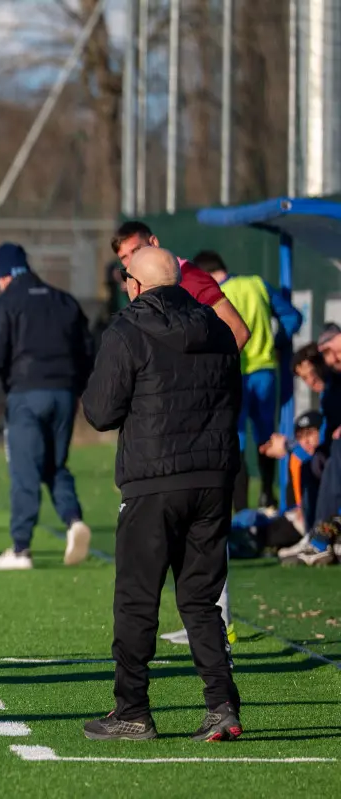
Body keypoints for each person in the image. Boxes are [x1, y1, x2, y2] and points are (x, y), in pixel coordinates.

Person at [82, 246, 242, 743]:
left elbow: (101, 411)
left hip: (153, 481)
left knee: (136, 600)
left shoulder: (128, 330)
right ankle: (222, 705)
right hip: (213, 478)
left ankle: (132, 710)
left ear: (134, 283)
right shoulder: (216, 329)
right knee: (200, 599)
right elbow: (231, 397)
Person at [113, 225, 250, 646]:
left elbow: (237, 333)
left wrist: (194, 389)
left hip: (197, 431)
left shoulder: (188, 279)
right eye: (123, 261)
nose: (130, 266)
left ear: (155, 245)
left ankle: (219, 619)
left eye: (135, 253)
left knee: (187, 560)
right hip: (178, 438)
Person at [0, 243, 94, 570]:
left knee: (25, 472)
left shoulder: (6, 303)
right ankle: (74, 520)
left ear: (3, 276)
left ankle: (20, 549)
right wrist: (80, 391)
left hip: (26, 396)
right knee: (55, 466)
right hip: (64, 395)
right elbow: (88, 351)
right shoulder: (65, 301)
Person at [196, 250, 303, 509]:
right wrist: (276, 341)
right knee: (266, 434)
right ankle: (268, 495)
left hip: (233, 374)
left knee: (237, 438)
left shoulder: (211, 296)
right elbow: (293, 317)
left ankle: (241, 508)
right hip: (265, 370)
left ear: (204, 274)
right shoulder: (256, 284)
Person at [111, 221, 251, 352]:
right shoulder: (140, 287)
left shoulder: (191, 279)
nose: (131, 261)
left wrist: (207, 376)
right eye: (124, 257)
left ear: (153, 242)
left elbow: (239, 331)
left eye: (136, 251)